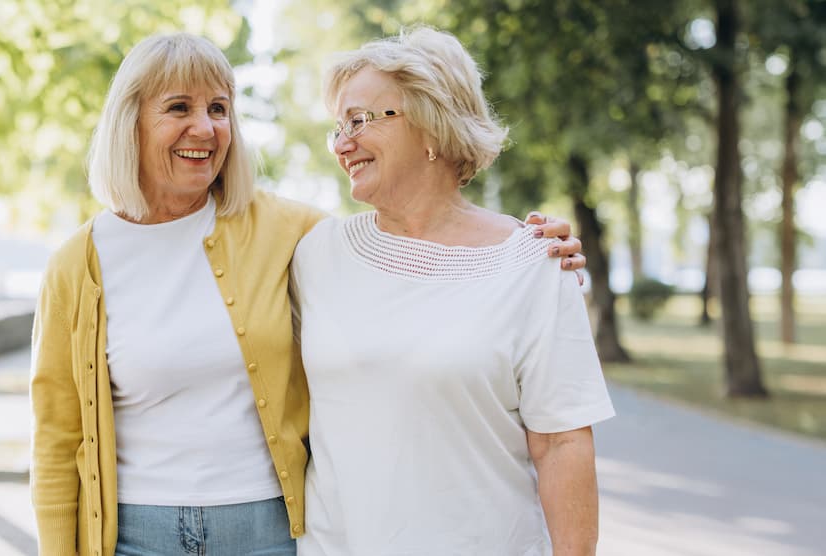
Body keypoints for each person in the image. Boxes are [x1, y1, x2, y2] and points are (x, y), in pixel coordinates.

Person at [30, 32, 586, 556]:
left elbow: (422, 231)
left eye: (219, 109)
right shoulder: (78, 265)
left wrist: (529, 244)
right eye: (179, 108)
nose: (203, 127)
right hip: (139, 533)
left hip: (268, 529)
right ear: (130, 122)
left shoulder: (291, 233)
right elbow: (57, 440)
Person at [292, 27, 615, 556]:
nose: (342, 143)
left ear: (431, 126)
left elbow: (561, 444)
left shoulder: (533, 262)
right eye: (337, 127)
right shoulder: (316, 254)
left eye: (360, 120)